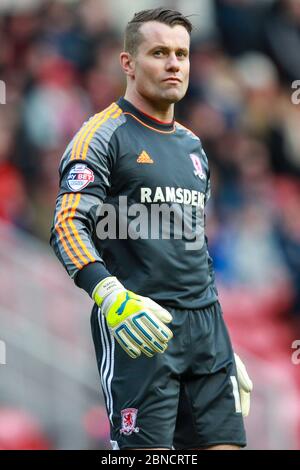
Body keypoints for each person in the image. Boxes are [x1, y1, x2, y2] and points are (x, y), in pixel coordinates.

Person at [50, 7, 253, 450]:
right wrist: (110, 296)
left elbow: (193, 249)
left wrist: (220, 342)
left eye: (181, 53)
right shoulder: (101, 135)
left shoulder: (194, 147)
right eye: (159, 52)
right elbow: (66, 225)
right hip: (141, 328)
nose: (174, 63)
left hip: (206, 332)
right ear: (128, 63)